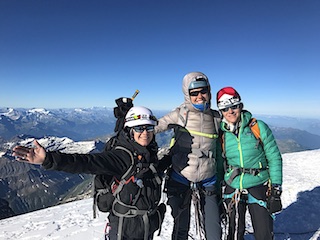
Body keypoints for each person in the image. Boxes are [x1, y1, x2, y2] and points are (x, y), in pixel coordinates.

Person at [12, 106, 166, 240]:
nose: (145, 132)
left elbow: (154, 170)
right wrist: (48, 159)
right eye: (139, 128)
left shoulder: (147, 152)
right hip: (125, 231)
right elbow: (87, 162)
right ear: (130, 130)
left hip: (144, 228)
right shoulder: (122, 157)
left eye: (149, 128)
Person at [154, 71, 223, 240]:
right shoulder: (180, 114)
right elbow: (153, 128)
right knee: (181, 227)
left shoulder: (216, 118)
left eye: (203, 91)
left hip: (209, 179)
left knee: (214, 230)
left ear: (209, 91)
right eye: (194, 93)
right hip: (181, 177)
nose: (200, 96)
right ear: (187, 95)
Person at [216, 86, 283, 240]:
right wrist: (218, 192)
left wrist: (276, 189)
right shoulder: (222, 134)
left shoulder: (258, 127)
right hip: (233, 185)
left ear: (240, 106)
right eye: (225, 109)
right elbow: (219, 163)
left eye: (233, 106)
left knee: (263, 233)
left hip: (258, 183)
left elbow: (274, 157)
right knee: (233, 233)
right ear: (221, 112)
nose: (230, 111)